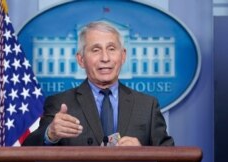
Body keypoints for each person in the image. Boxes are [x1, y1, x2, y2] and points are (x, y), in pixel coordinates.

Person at [23, 21, 174, 146]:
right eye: (96, 50)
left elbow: (171, 158)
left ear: (123, 56)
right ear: (81, 60)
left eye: (111, 49)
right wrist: (50, 134)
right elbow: (27, 151)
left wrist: (143, 154)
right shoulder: (59, 104)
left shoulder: (147, 106)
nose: (105, 58)